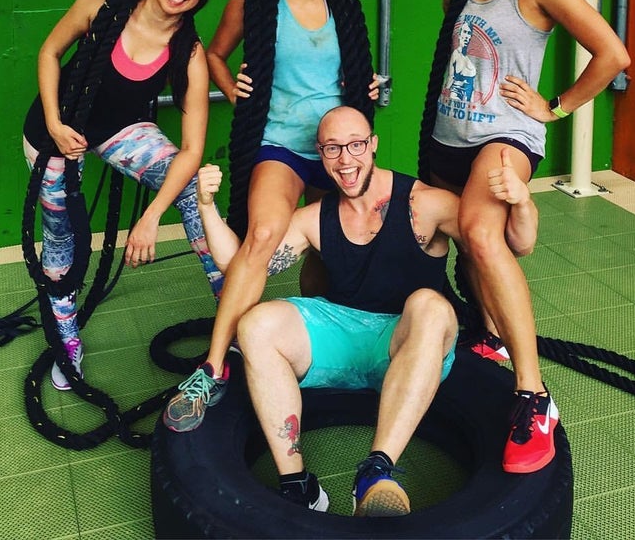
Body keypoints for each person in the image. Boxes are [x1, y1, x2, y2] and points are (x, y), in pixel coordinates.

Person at [418, 0, 631, 473]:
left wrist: (553, 107)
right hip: (447, 135)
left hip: (504, 135)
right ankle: (487, 339)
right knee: (456, 241)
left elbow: (613, 53)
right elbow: (472, 57)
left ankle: (533, 396)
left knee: (484, 234)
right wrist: (448, 4)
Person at [162, 0, 376, 425]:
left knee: (329, 254)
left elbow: (355, 71)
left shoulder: (344, 1)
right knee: (260, 239)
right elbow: (212, 52)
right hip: (277, 141)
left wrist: (362, 91)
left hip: (334, 149)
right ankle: (212, 368)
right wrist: (232, 90)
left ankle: (314, 345)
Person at [187, 106, 461, 516]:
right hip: (340, 336)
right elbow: (241, 265)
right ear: (320, 154)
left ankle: (376, 470)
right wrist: (205, 206)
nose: (345, 160)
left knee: (430, 305)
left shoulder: (430, 204)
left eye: (355, 146)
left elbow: (507, 243)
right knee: (256, 323)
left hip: (407, 342)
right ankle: (297, 484)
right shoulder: (314, 218)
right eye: (333, 149)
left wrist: (519, 202)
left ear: (373, 145)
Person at [23, 0, 222, 390]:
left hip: (120, 130)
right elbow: (49, 53)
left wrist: (151, 217)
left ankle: (231, 316)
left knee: (194, 191)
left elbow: (191, 151)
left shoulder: (189, 52)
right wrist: (54, 121)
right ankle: (66, 339)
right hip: (54, 128)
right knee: (60, 237)